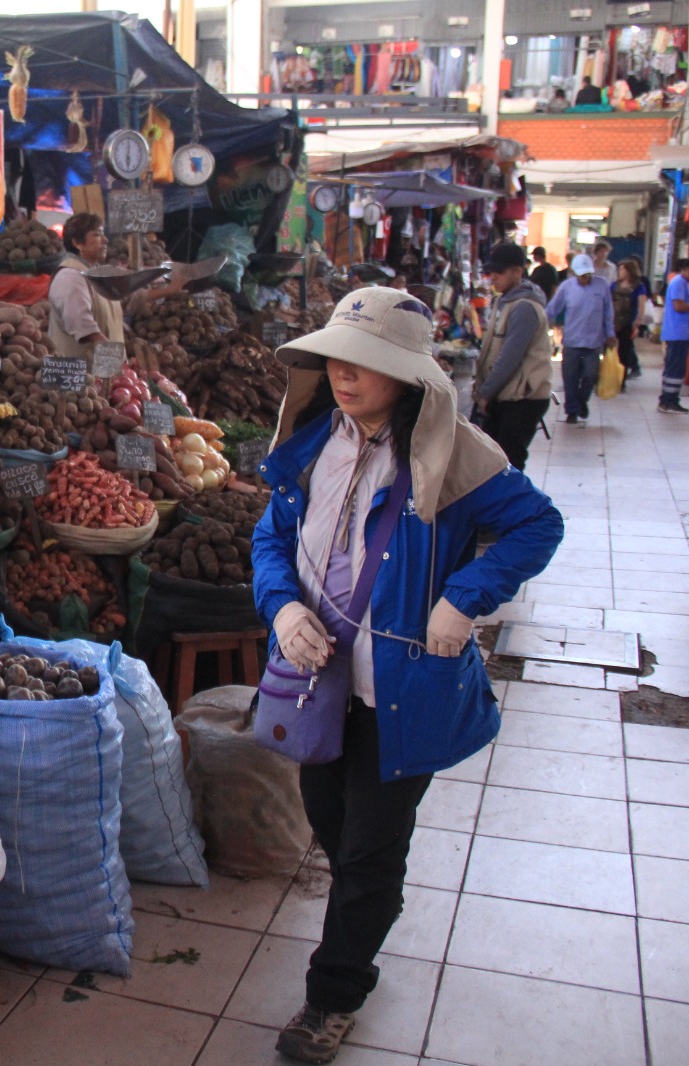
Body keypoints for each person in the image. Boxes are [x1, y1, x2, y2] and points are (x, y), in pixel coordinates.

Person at [253, 286, 563, 1065]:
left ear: (411, 376)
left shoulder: (456, 455)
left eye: (368, 363)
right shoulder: (310, 446)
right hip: (320, 686)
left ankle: (332, 996)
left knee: (365, 854)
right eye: (338, 358)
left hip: (402, 695)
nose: (346, 375)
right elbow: (272, 539)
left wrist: (465, 598)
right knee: (334, 826)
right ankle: (372, 904)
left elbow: (538, 524)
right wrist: (284, 610)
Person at [47, 212, 182, 359]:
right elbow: (81, 324)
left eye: (103, 234)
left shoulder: (97, 273)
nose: (105, 240)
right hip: (80, 375)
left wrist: (170, 290)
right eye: (97, 235)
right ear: (77, 243)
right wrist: (112, 355)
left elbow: (130, 298)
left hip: (104, 373)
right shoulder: (70, 276)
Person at [473, 243, 552, 469]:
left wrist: (485, 394)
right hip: (506, 394)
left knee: (508, 464)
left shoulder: (524, 307)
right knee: (492, 460)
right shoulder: (504, 301)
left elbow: (509, 358)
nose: (493, 277)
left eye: (500, 272)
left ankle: (511, 505)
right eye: (491, 272)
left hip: (522, 398)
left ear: (518, 271)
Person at [546, 253, 615, 423]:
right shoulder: (566, 287)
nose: (586, 277)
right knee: (570, 377)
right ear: (574, 272)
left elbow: (608, 312)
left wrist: (611, 333)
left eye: (588, 274)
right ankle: (572, 410)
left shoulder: (602, 286)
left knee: (590, 375)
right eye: (582, 274)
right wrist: (542, 324)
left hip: (594, 342)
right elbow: (552, 309)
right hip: (572, 341)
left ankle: (582, 400)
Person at [660, 258, 689, 414]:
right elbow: (678, 306)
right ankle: (668, 401)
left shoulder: (683, 283)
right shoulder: (679, 282)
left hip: (681, 332)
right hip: (677, 332)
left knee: (676, 368)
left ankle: (669, 399)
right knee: (675, 368)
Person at [613, 258, 648, 382]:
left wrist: (637, 322)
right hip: (613, 322)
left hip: (628, 323)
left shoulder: (639, 286)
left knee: (624, 352)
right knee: (609, 351)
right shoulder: (614, 285)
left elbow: (641, 305)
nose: (619, 271)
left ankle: (621, 380)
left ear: (628, 271)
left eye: (621, 269)